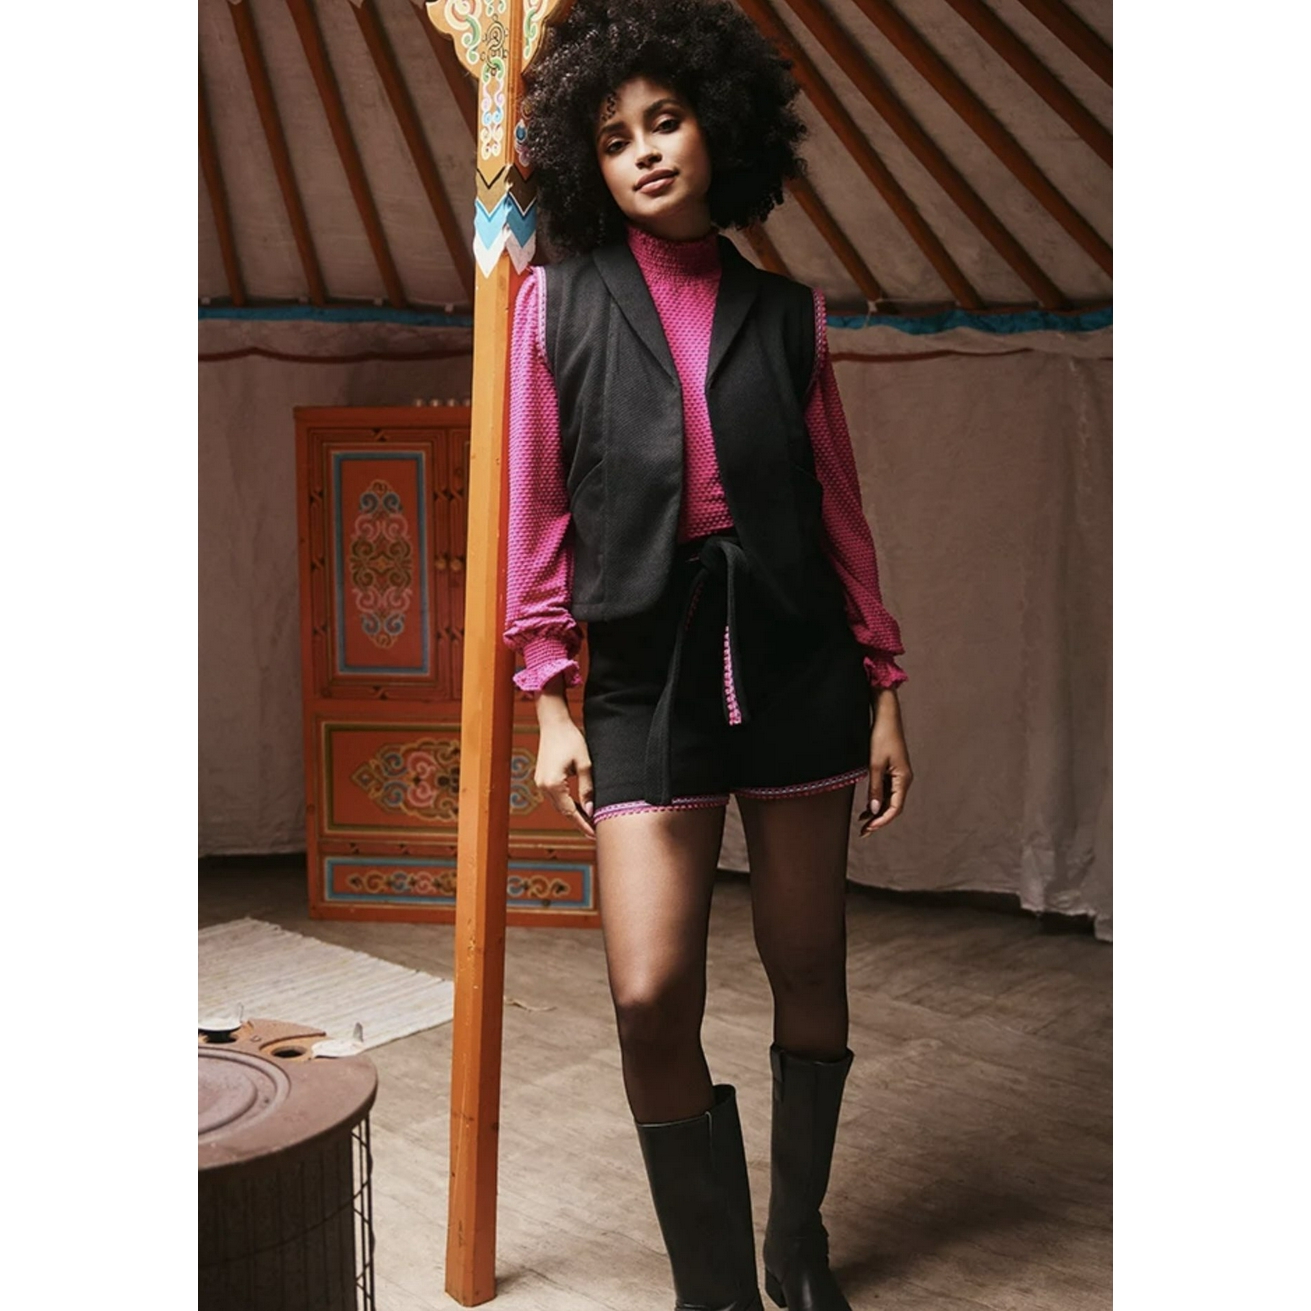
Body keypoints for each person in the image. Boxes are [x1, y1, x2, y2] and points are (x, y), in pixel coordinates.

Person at [505, 2, 913, 1307]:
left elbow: (840, 509)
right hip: (643, 675)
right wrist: (548, 699)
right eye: (614, 136)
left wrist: (883, 684)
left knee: (809, 966)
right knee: (649, 991)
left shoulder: (790, 316)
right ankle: (716, 1288)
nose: (644, 151)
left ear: (718, 129)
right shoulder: (554, 304)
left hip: (797, 666)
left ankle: (795, 1247)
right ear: (590, 163)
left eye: (666, 120)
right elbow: (535, 511)